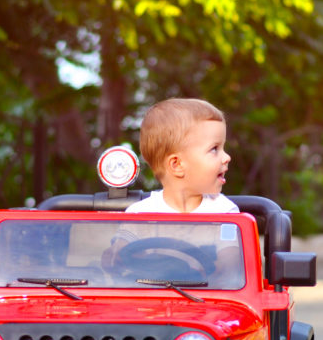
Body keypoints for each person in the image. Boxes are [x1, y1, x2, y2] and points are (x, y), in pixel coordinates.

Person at [102, 98, 241, 281]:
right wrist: (114, 257)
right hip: (153, 299)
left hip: (206, 301)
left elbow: (231, 267)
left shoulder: (225, 213)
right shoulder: (140, 214)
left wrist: (207, 270)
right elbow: (116, 255)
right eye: (214, 149)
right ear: (177, 165)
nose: (227, 157)